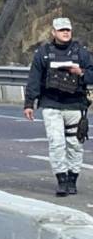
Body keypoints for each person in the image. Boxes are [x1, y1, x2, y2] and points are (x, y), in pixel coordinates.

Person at [24, 17, 93, 196]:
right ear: (53, 32)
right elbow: (34, 79)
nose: (65, 33)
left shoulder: (82, 53)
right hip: (51, 105)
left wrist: (81, 72)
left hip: (75, 106)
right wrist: (29, 103)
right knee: (56, 144)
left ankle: (72, 180)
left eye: (67, 30)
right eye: (61, 30)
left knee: (75, 145)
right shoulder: (43, 53)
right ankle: (61, 180)